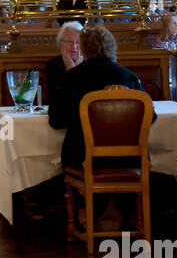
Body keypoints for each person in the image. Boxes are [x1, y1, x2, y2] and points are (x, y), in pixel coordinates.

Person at [48, 24, 155, 241]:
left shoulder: (73, 78)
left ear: (85, 49)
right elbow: (151, 117)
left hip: (84, 157)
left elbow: (56, 121)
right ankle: (120, 211)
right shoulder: (128, 77)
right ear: (112, 48)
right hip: (129, 158)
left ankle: (87, 213)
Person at [45, 20, 83, 96]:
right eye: (69, 41)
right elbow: (55, 97)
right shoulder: (53, 65)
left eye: (78, 42)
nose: (74, 46)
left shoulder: (91, 64)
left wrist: (72, 72)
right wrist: (70, 71)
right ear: (61, 43)